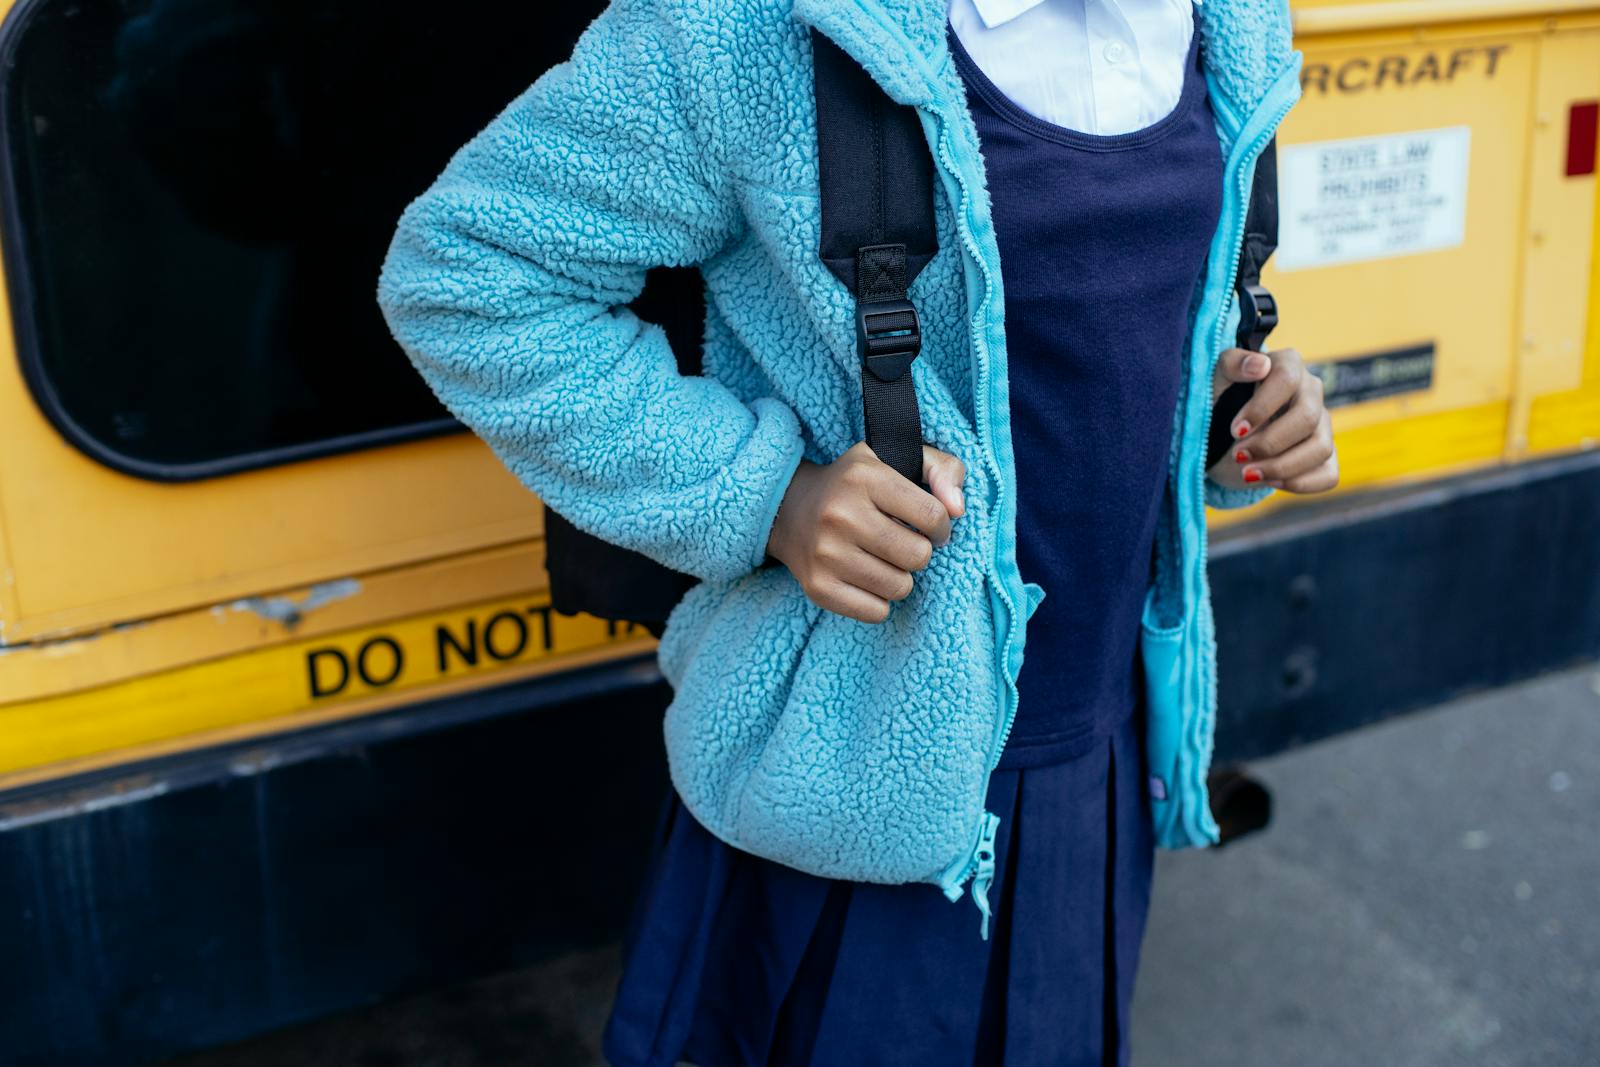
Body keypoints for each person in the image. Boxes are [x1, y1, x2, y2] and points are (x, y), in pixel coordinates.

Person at [377, 0, 1337, 1063]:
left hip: (1092, 759)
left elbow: (1117, 324)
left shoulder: (1230, 22)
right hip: (848, 778)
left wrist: (1226, 423)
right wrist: (768, 495)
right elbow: (466, 271)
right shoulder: (749, 31)